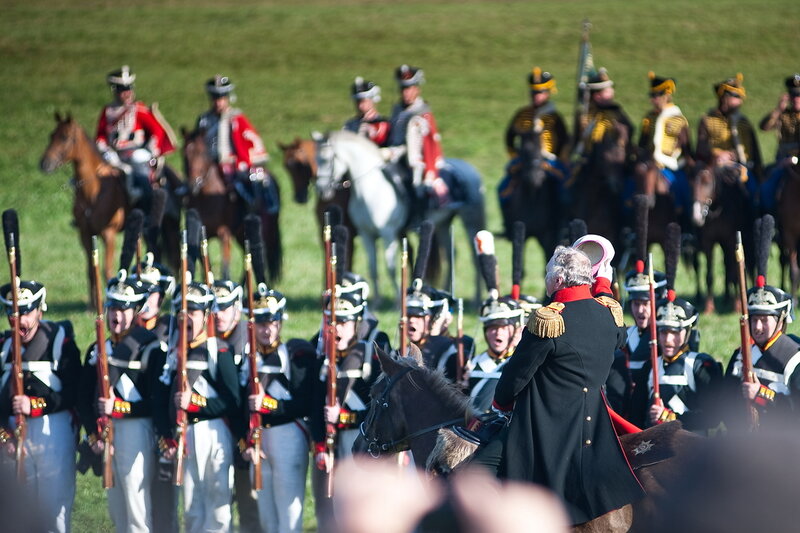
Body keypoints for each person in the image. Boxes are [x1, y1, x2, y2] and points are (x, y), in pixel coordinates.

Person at [471, 245, 645, 526]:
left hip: (544, 430)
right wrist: (602, 284)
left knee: (471, 476)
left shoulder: (548, 320)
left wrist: (500, 405)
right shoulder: (609, 315)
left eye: (548, 273)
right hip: (594, 428)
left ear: (558, 280)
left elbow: (512, 383)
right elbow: (618, 335)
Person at [78, 271, 166, 533]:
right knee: (117, 511)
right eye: (113, 307)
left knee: (137, 509)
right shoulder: (98, 348)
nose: (117, 315)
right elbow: (84, 398)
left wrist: (122, 408)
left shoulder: (151, 348)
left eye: (125, 309)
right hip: (107, 435)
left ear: (137, 310)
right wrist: (94, 435)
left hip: (136, 431)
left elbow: (157, 403)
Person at [154, 281, 242, 533]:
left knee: (218, 509)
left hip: (213, 433)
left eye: (193, 312)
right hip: (185, 436)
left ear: (205, 315)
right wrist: (167, 437)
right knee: (192, 510)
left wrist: (196, 403)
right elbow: (161, 400)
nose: (187, 318)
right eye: (183, 313)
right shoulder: (173, 353)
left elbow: (232, 402)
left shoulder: (218, 351)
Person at [0, 280, 81, 533]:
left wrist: (35, 405)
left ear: (39, 310)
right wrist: (4, 435)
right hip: (13, 437)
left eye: (26, 312)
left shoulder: (59, 342)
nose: (19, 320)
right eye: (13, 313)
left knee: (53, 510)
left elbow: (74, 393)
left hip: (52, 432)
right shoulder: (3, 347)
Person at [241, 285, 315, 533]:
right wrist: (246, 444)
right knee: (267, 520)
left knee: (289, 516)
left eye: (272, 321)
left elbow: (305, 403)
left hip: (288, 435)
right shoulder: (246, 359)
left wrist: (269, 405)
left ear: (280, 322)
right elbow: (240, 407)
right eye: (261, 323)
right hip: (258, 443)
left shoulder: (295, 356)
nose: (267, 329)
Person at [310, 290, 381, 533]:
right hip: (334, 447)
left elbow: (377, 408)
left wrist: (344, 417)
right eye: (333, 322)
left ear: (356, 324)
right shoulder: (323, 358)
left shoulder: (369, 356)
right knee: (334, 511)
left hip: (360, 440)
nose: (337, 328)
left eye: (343, 322)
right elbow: (313, 406)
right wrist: (320, 445)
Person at [211, 279, 261, 532]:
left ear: (237, 308)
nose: (218, 314)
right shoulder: (204, 339)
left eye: (224, 307)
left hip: (245, 434)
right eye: (213, 307)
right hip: (214, 434)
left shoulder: (249, 339)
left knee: (250, 506)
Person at [498, 67, 570, 237]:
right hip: (524, 160)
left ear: (548, 93)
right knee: (502, 189)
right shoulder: (522, 114)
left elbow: (565, 140)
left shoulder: (554, 117)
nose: (536, 96)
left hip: (549, 161)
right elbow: (510, 137)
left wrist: (562, 158)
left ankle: (564, 223)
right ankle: (508, 225)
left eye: (541, 92)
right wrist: (515, 157)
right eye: (534, 92)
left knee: (566, 188)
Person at [725, 270, 800, 428]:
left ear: (780, 320)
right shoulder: (740, 356)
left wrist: (761, 395)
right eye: (754, 319)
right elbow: (724, 405)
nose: (757, 327)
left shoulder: (795, 358)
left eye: (764, 320)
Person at [95, 66, 176, 209]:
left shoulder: (138, 109)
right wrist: (103, 147)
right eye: (122, 89)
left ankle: (147, 210)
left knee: (142, 178)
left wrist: (150, 149)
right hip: (114, 155)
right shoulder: (108, 111)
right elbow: (101, 134)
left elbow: (156, 131)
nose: (127, 93)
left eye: (129, 89)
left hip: (135, 154)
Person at [196, 75, 277, 213]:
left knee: (250, 184)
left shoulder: (236, 117)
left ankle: (256, 210)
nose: (218, 102)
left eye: (222, 98)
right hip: (208, 164)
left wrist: (242, 161)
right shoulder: (204, 120)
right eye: (215, 98)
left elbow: (251, 140)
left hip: (233, 163)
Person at [647, 291, 723, 433]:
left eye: (675, 332)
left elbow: (713, 418)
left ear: (688, 332)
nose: (668, 339)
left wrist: (670, 417)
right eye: (663, 332)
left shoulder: (700, 365)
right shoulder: (651, 365)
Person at [605, 262, 667, 427]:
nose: (640, 311)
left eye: (646, 304)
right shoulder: (626, 335)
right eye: (636, 304)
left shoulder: (666, 339)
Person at [382, 65, 449, 217]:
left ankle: (420, 217)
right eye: (403, 88)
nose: (406, 92)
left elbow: (429, 143)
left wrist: (393, 152)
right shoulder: (397, 110)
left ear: (417, 89)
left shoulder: (422, 112)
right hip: (395, 158)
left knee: (417, 185)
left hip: (417, 160)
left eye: (410, 88)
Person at [696, 74, 763, 207]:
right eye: (736, 97)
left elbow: (752, 152)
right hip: (713, 166)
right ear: (725, 98)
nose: (741, 100)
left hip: (740, 167)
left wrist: (733, 156)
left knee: (755, 193)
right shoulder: (707, 120)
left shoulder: (744, 123)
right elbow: (701, 148)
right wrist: (717, 154)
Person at [636, 72, 694, 227]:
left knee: (685, 191)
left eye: (657, 95)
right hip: (649, 162)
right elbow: (642, 143)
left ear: (667, 95)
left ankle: (687, 228)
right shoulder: (650, 117)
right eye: (652, 95)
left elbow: (686, 147)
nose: (653, 99)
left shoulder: (677, 118)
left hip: (670, 164)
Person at [465, 296, 524, 413]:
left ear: (516, 330)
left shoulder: (521, 363)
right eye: (492, 328)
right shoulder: (473, 364)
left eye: (504, 327)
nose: (498, 333)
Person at [758, 74, 800, 214]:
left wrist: (795, 159)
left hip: (796, 162)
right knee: (766, 189)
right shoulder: (783, 115)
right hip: (783, 162)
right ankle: (771, 218)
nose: (796, 99)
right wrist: (778, 109)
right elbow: (764, 127)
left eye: (799, 95)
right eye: (793, 95)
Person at [343, 77, 390, 146]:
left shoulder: (382, 124)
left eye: (363, 101)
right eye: (357, 102)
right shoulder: (350, 124)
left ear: (372, 100)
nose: (360, 106)